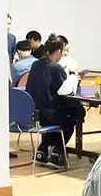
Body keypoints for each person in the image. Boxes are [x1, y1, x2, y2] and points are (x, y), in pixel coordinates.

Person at [25, 34, 84, 166]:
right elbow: (65, 92)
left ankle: (42, 151)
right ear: (58, 51)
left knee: (61, 120)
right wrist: (74, 77)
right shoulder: (56, 68)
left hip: (36, 113)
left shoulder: (35, 64)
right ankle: (57, 152)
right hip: (50, 113)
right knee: (75, 115)